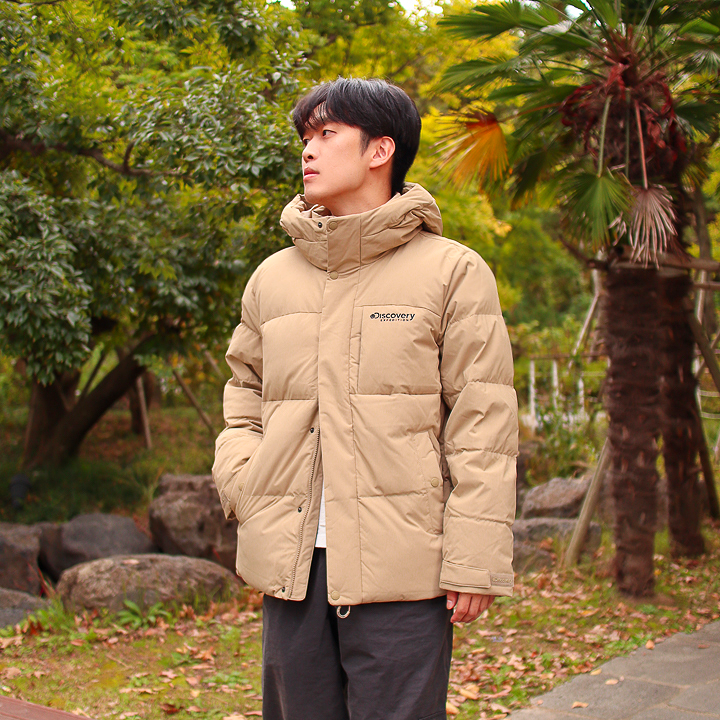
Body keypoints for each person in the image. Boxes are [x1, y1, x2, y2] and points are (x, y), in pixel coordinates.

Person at [213, 77, 518, 720]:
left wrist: (475, 559)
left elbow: (482, 422)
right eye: (305, 137)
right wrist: (244, 483)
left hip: (404, 570)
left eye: (327, 134)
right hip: (293, 567)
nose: (308, 150)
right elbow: (244, 395)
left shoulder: (452, 271)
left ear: (381, 150)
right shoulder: (273, 277)